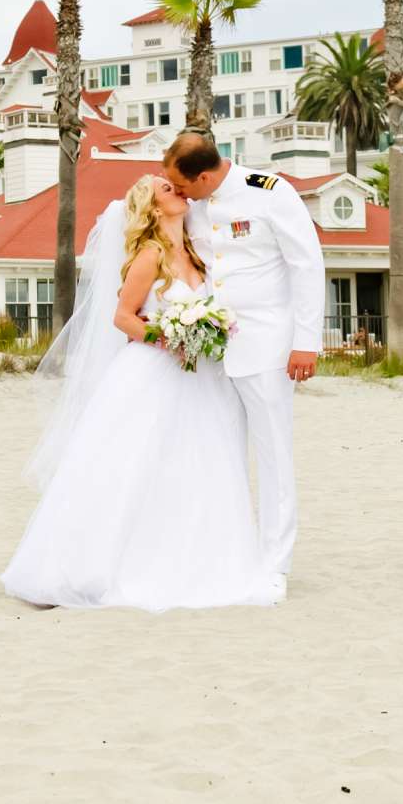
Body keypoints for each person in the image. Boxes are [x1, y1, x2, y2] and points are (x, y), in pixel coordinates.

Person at [2, 175, 277, 611]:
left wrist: (208, 328)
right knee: (135, 465)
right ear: (152, 208)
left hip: (200, 376)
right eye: (167, 189)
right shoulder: (149, 256)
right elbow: (123, 317)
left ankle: (195, 561)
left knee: (196, 465)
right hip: (154, 372)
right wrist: (167, 335)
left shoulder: (198, 253)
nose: (178, 191)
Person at [164, 131, 325, 600]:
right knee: (219, 449)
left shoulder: (270, 194)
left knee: (273, 453)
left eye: (185, 184)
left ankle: (275, 563)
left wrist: (306, 342)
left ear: (207, 175)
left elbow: (306, 265)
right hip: (210, 345)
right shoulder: (189, 201)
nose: (181, 193)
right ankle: (228, 551)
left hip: (268, 344)